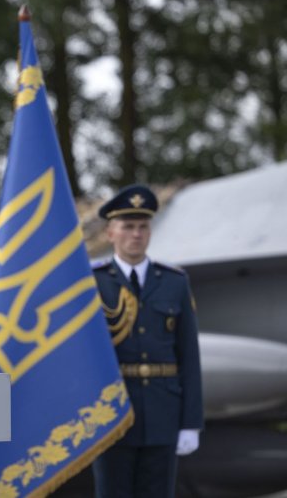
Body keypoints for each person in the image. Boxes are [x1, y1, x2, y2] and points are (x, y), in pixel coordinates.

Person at [91, 184, 203, 498]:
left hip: (162, 413)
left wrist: (191, 422)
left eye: (143, 227)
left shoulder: (174, 282)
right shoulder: (92, 282)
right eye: (127, 227)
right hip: (111, 415)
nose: (136, 234)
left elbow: (189, 356)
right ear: (111, 233)